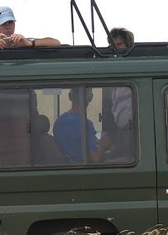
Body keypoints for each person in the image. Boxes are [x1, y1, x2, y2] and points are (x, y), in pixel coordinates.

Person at [53, 89, 110, 163]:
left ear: (70, 96)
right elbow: (95, 158)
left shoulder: (58, 122)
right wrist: (103, 144)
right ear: (91, 97)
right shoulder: (86, 124)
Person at [107, 28, 135, 158]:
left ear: (128, 46)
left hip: (132, 128)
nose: (115, 49)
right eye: (112, 46)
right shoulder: (113, 69)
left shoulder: (134, 67)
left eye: (119, 45)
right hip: (122, 128)